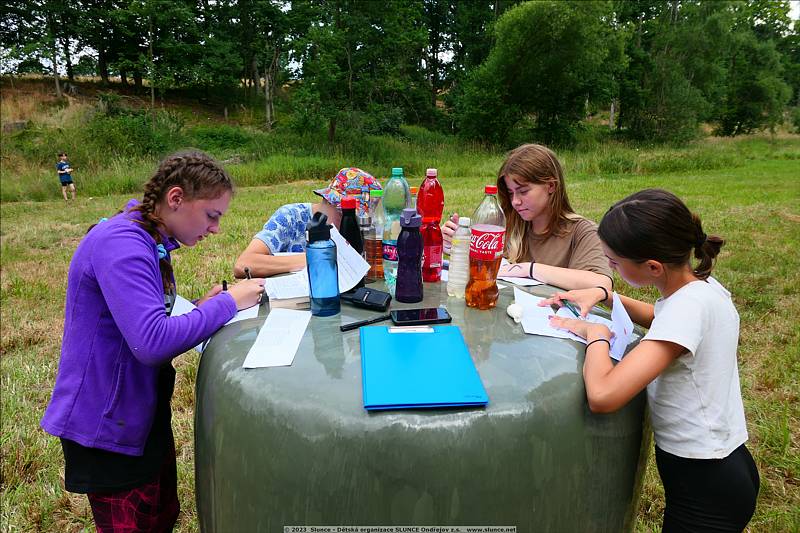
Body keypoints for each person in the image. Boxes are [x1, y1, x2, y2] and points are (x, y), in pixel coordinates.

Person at [40, 150, 265, 532]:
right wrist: (227, 303)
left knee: (161, 517)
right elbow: (150, 342)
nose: (215, 229)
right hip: (107, 428)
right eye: (211, 215)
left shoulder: (147, 238)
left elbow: (141, 319)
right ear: (176, 198)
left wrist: (199, 309)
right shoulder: (122, 244)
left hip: (138, 414)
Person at [541, 189, 759, 532]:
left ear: (653, 267)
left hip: (704, 487)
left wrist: (596, 334)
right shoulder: (700, 289)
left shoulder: (687, 309)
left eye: (614, 263)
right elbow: (664, 320)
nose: (610, 267)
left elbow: (603, 395)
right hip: (725, 464)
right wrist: (606, 295)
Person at [442, 144, 612, 292]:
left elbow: (602, 283)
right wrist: (458, 244)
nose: (515, 201)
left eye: (523, 191)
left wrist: (528, 270)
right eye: (510, 193)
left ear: (551, 186)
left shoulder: (582, 231)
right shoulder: (506, 224)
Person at [235, 167, 381, 278]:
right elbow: (244, 264)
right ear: (328, 200)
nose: (351, 226)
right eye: (345, 215)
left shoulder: (367, 232)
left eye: (358, 220)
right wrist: (314, 259)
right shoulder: (291, 217)